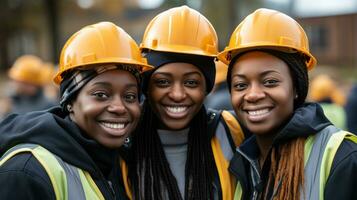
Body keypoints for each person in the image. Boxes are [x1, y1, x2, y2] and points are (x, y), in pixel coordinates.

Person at [0, 22, 152, 199]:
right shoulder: (27, 172)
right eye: (101, 94)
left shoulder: (123, 162)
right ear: (70, 101)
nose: (119, 107)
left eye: (130, 96)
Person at [217, 8, 357, 200]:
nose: (253, 95)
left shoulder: (342, 156)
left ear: (297, 88)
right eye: (241, 85)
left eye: (270, 82)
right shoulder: (241, 164)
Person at [126, 6, 247, 200]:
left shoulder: (231, 131)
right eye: (163, 82)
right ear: (146, 86)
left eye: (191, 82)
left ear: (207, 87)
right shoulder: (122, 138)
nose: (177, 94)